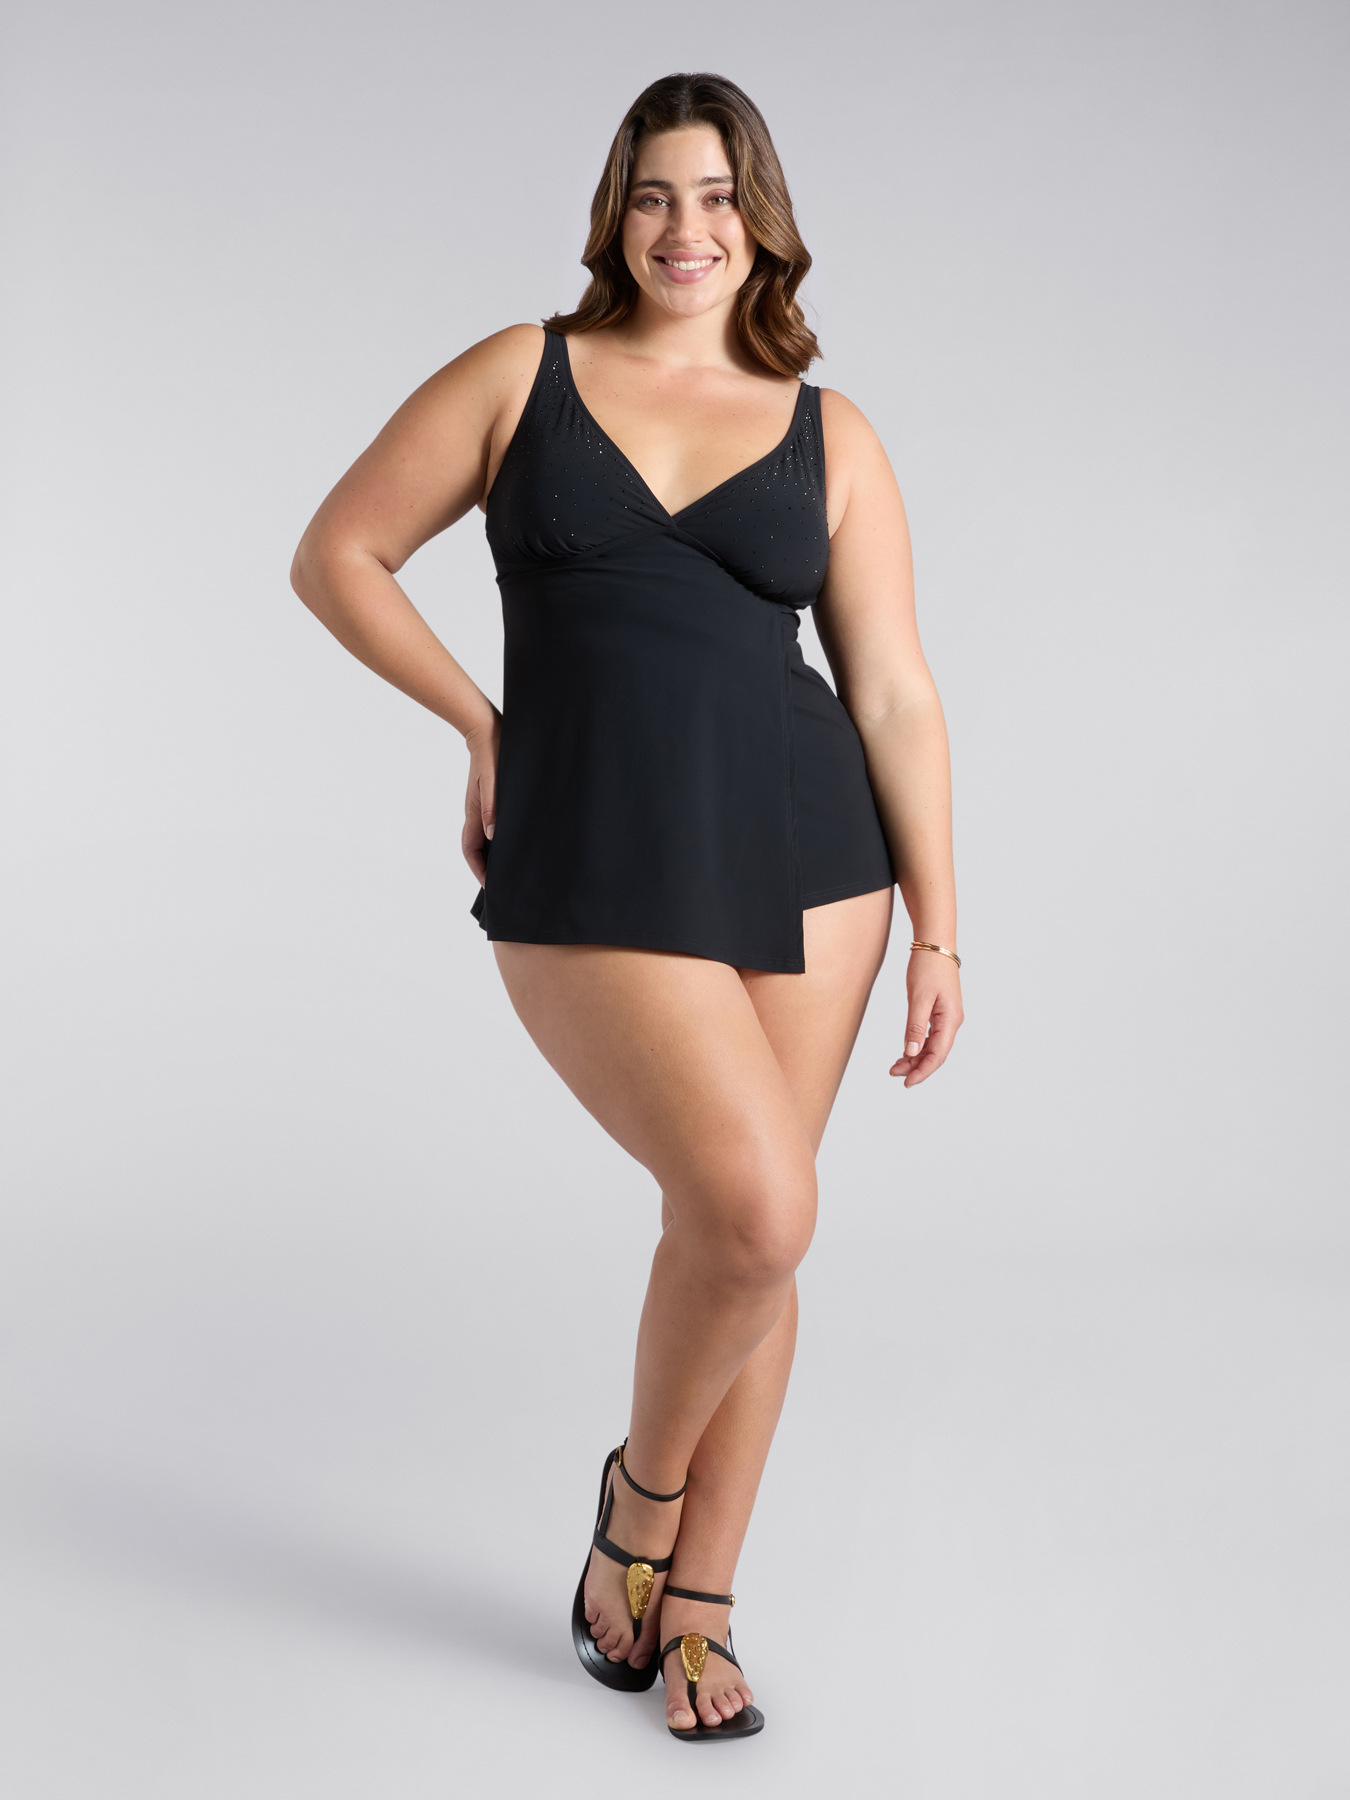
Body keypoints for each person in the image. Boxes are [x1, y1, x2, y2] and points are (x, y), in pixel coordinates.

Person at [290, 70, 962, 1743]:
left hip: (814, 852)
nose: (686, 227)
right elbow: (338, 555)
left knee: (751, 1236)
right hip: (591, 841)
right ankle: (637, 1511)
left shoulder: (831, 432)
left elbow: (891, 692)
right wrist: (483, 727)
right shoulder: (522, 374)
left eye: (718, 196)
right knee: (755, 1209)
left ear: (762, 223)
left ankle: (700, 1611)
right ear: (616, 214)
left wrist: (941, 927)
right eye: (656, 194)